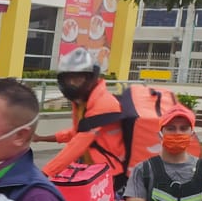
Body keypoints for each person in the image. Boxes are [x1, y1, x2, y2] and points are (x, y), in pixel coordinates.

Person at [34, 47, 130, 185]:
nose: (72, 84)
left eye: (78, 79)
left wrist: (44, 173)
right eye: (69, 79)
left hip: (109, 174)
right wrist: (41, 138)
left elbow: (79, 142)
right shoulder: (82, 102)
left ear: (91, 78)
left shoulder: (104, 103)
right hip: (89, 170)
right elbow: (75, 133)